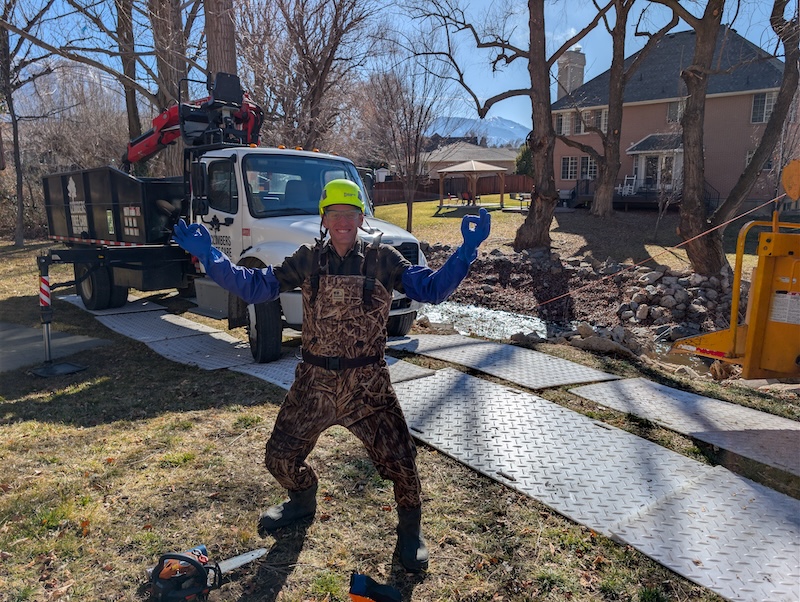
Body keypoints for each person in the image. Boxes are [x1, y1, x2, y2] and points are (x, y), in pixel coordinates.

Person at [172, 179, 490, 572]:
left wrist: (465, 253)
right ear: (323, 218)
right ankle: (302, 500)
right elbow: (255, 288)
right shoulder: (307, 259)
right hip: (315, 383)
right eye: (334, 214)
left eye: (350, 214)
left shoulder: (384, 259)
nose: (342, 222)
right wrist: (210, 257)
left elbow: (431, 289)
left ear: (361, 217)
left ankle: (410, 530)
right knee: (279, 458)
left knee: (403, 465)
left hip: (367, 385)